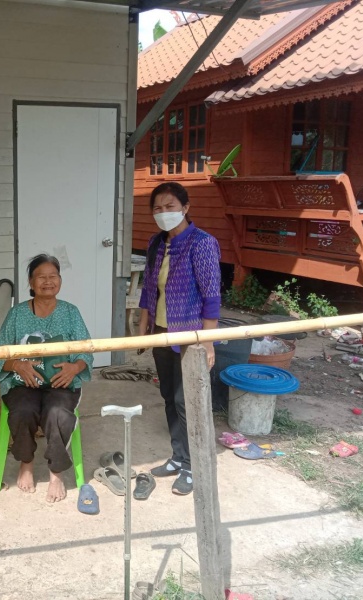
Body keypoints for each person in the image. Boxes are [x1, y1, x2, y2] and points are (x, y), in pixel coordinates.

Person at [138, 182, 221, 496]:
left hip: (191, 335)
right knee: (168, 397)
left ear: (185, 208)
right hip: (162, 332)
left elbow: (211, 297)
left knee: (187, 402)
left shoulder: (202, 244)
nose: (163, 213)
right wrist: (143, 327)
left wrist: (208, 342)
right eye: (157, 208)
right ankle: (177, 457)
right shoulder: (156, 243)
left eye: (170, 206)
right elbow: (149, 289)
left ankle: (192, 466)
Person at [0, 254, 93, 503]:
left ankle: (56, 472)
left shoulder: (70, 312)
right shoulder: (17, 314)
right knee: (22, 411)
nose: (48, 282)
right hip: (23, 383)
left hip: (61, 383)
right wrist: (17, 364)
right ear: (31, 282)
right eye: (41, 277)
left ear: (60, 280)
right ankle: (26, 462)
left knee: (58, 414)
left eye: (53, 276)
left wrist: (74, 367)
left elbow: (86, 351)